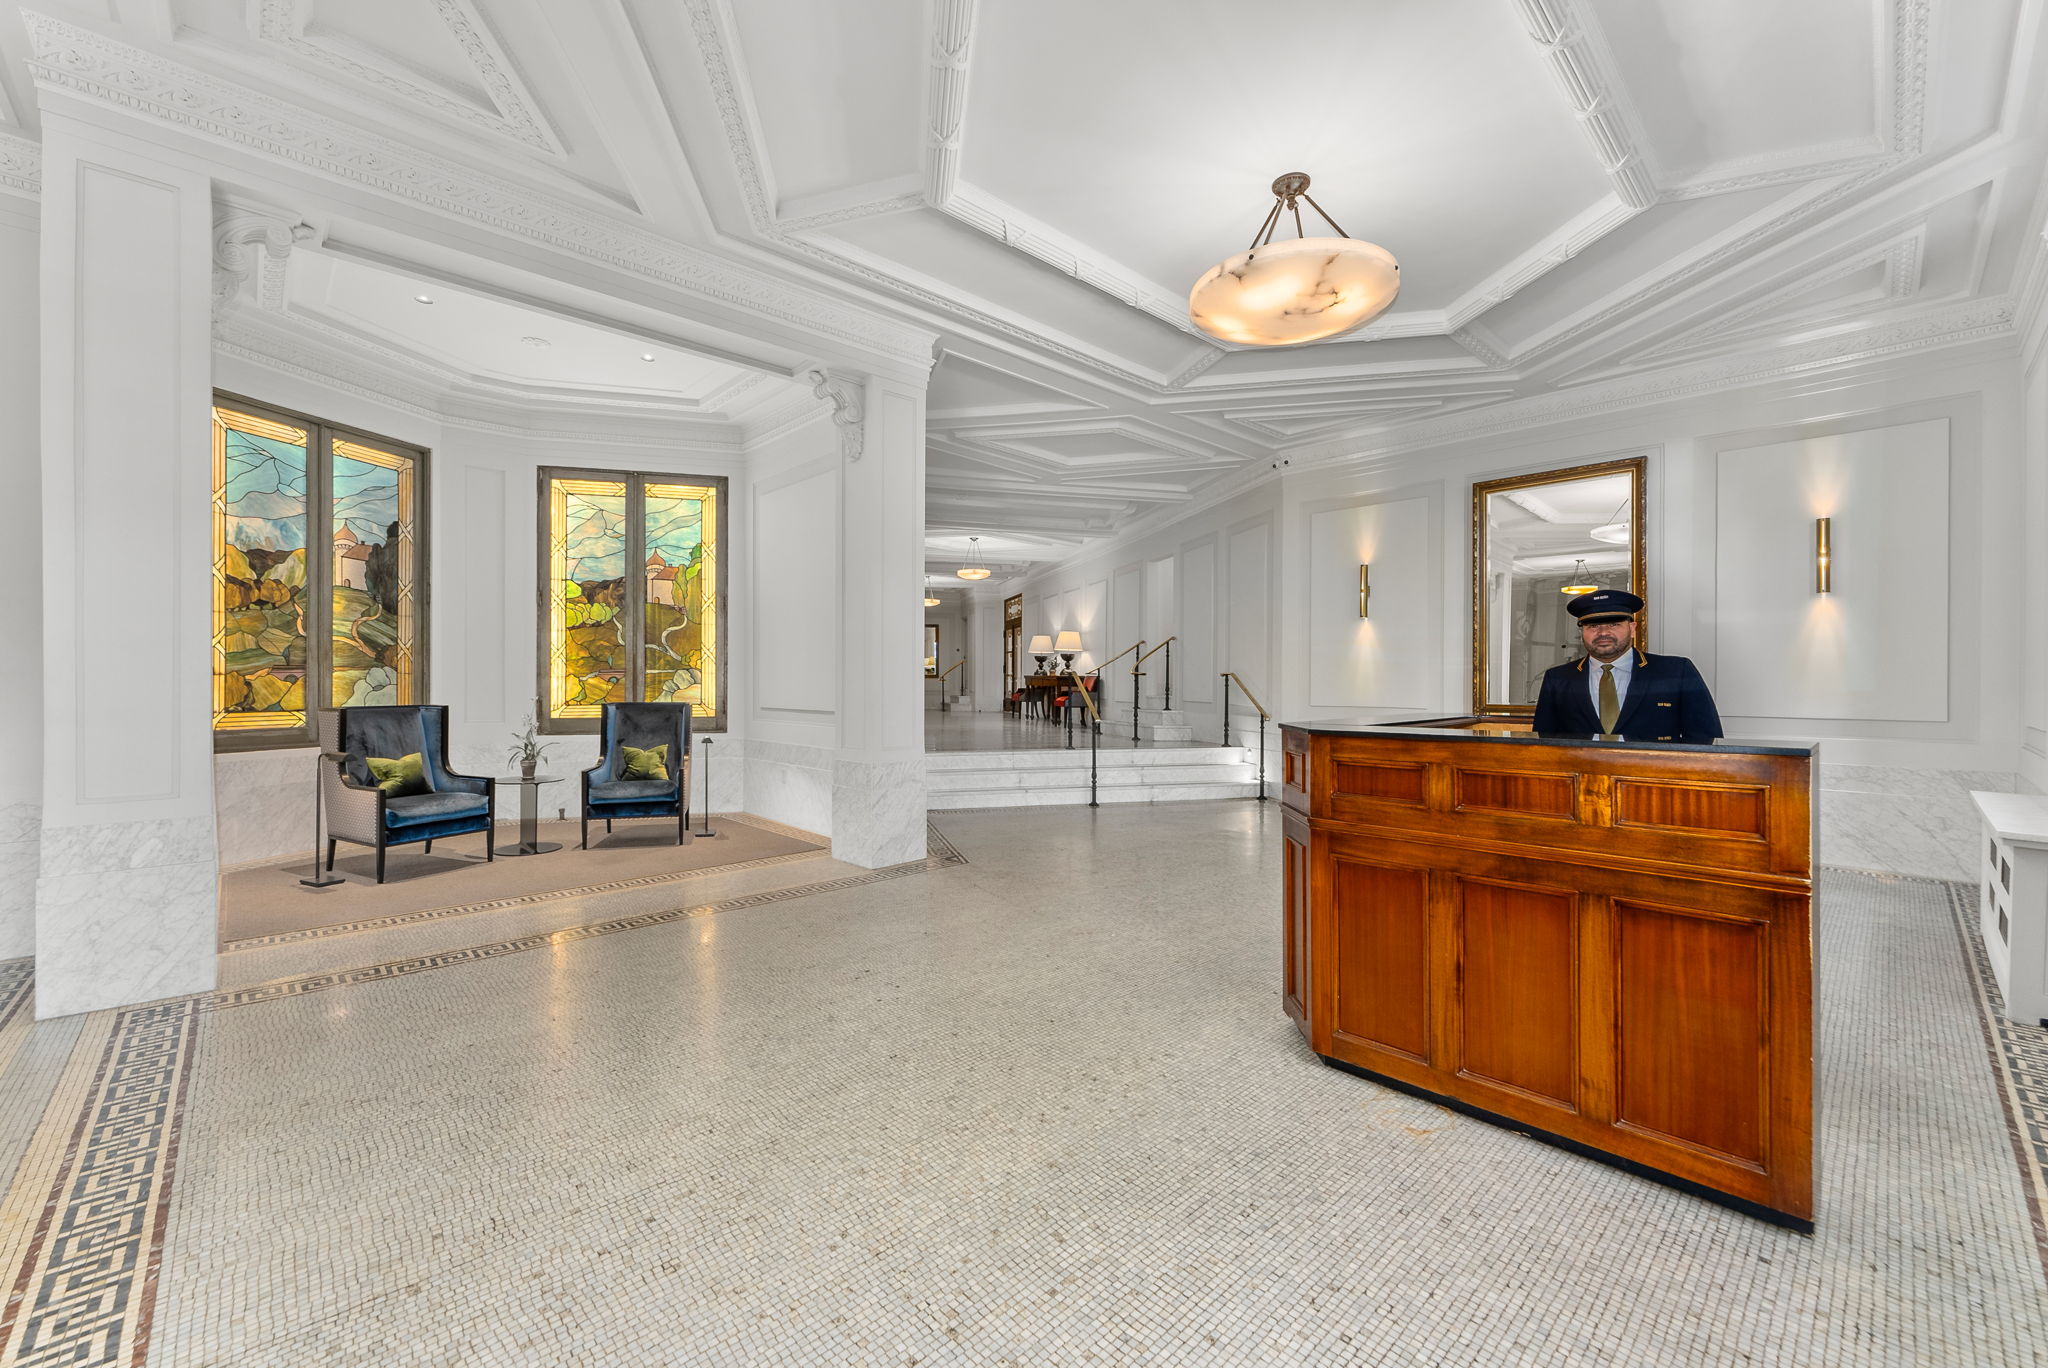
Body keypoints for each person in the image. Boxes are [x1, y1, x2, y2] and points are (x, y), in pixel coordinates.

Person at [1530, 589, 1722, 743]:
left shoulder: (1676, 671)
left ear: (1632, 629)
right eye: (1593, 627)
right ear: (1583, 632)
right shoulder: (1558, 678)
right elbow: (1547, 739)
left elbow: (1702, 735)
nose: (1603, 632)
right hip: (1584, 782)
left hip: (1654, 783)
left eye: (1613, 624)